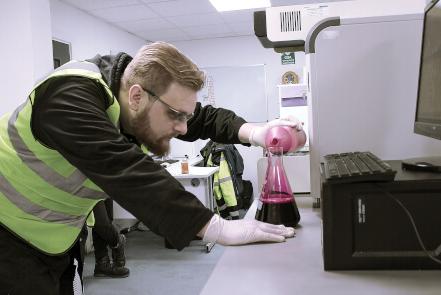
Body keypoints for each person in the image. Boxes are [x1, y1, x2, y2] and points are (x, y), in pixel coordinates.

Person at [0, 41, 303, 294]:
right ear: (136, 97)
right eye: (175, 116)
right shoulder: (67, 98)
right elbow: (127, 171)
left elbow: (204, 118)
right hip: (9, 237)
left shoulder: (142, 93)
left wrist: (259, 132)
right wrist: (219, 228)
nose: (183, 128)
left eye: (185, 116)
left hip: (57, 240)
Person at [92, 199, 129, 278]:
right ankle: (118, 241)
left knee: (107, 218)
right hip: (88, 188)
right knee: (100, 222)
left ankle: (102, 263)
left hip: (108, 187)